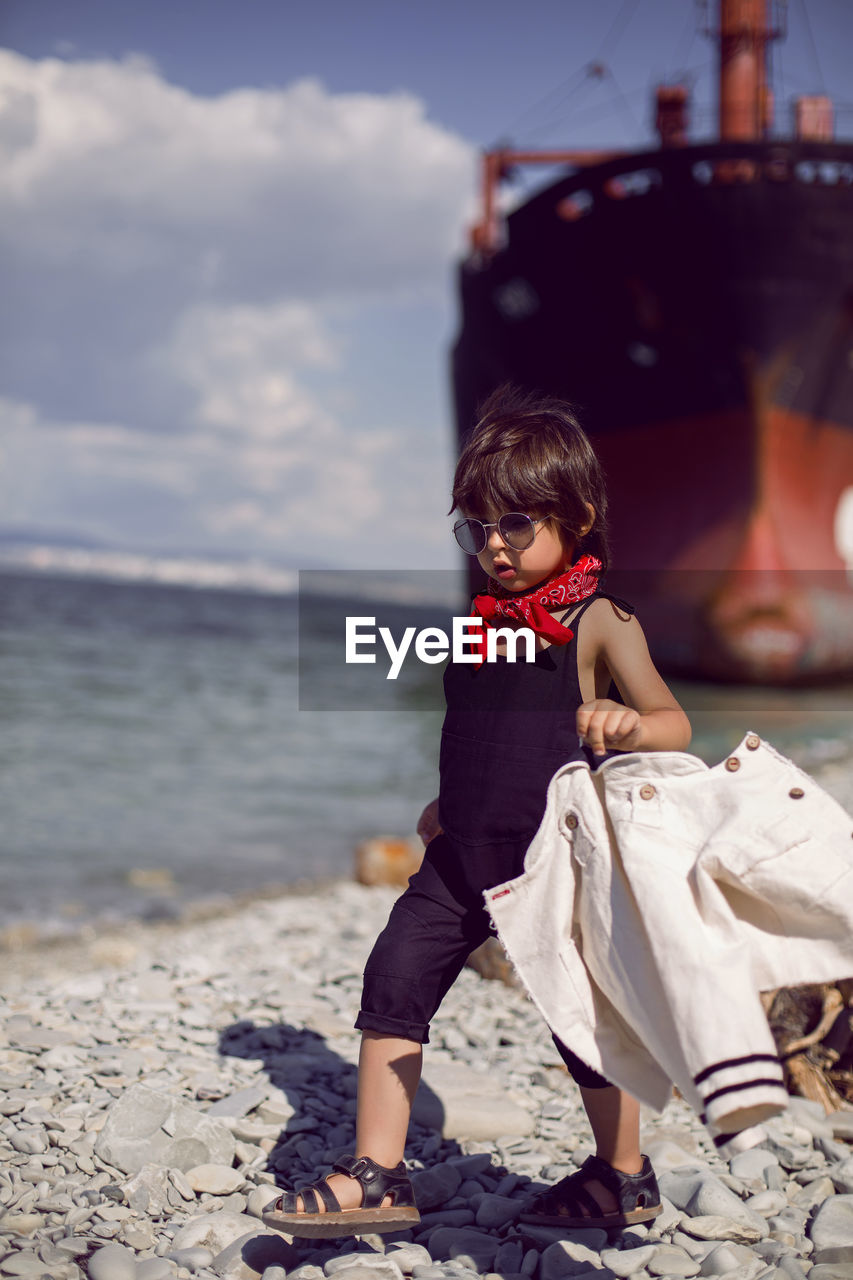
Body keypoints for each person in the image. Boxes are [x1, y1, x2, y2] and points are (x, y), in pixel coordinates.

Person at [263, 385, 692, 1238]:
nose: (494, 545)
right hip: (460, 852)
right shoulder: (480, 622)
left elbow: (674, 723)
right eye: (477, 528)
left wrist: (624, 720)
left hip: (550, 864)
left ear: (576, 516)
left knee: (579, 1015)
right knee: (393, 976)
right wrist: (441, 803)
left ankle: (622, 1175)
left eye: (516, 525)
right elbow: (480, 733)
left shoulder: (599, 621)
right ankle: (379, 1171)